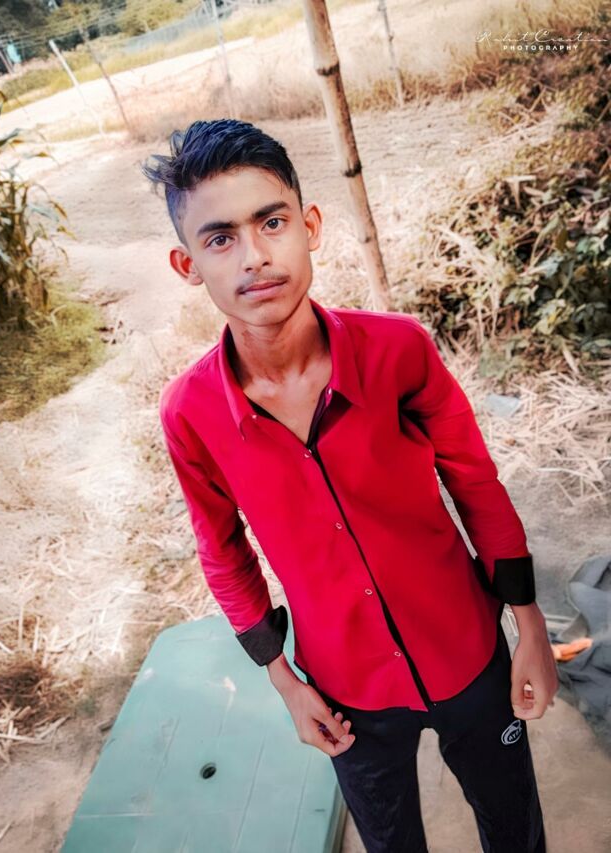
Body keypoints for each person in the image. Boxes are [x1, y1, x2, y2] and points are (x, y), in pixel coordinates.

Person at [142, 119, 559, 853]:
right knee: (389, 841)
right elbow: (223, 551)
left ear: (309, 226)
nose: (255, 255)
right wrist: (284, 680)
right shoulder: (190, 414)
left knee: (514, 826)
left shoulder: (399, 350)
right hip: (345, 689)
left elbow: (477, 485)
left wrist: (529, 628)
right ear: (188, 264)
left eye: (272, 222)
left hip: (467, 650)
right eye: (221, 238)